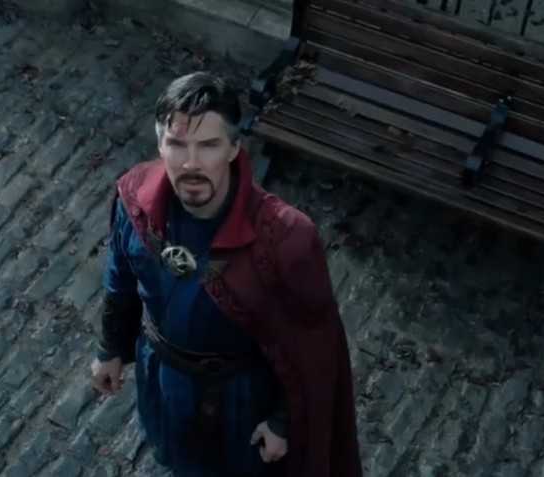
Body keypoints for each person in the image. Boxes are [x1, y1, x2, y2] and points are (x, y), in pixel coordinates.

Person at [90, 71, 362, 477]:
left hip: (240, 402)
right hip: (162, 380)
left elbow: (312, 348)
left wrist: (283, 421)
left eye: (209, 145)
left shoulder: (286, 238)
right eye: (177, 144)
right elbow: (120, 280)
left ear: (234, 148)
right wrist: (110, 347)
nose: (191, 163)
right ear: (160, 144)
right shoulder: (135, 200)